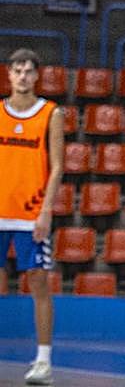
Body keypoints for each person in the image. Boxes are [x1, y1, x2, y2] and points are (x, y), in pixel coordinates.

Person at [0, 48, 64, 386]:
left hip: (30, 216)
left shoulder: (50, 113)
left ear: (37, 75)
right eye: (17, 70)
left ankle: (43, 360)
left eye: (28, 71)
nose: (23, 76)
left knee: (38, 285)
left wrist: (45, 212)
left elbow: (57, 168)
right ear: (9, 74)